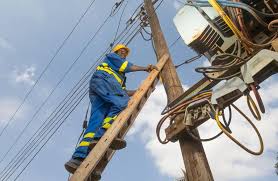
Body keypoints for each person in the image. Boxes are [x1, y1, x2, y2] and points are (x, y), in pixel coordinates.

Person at [64, 44, 157, 176]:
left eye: (125, 52)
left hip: (100, 87)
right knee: (121, 102)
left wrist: (137, 91)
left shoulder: (119, 75)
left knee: (95, 122)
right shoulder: (113, 57)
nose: (124, 53)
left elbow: (122, 91)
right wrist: (145, 68)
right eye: (122, 51)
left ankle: (77, 159)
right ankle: (100, 135)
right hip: (103, 81)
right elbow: (127, 67)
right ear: (116, 52)